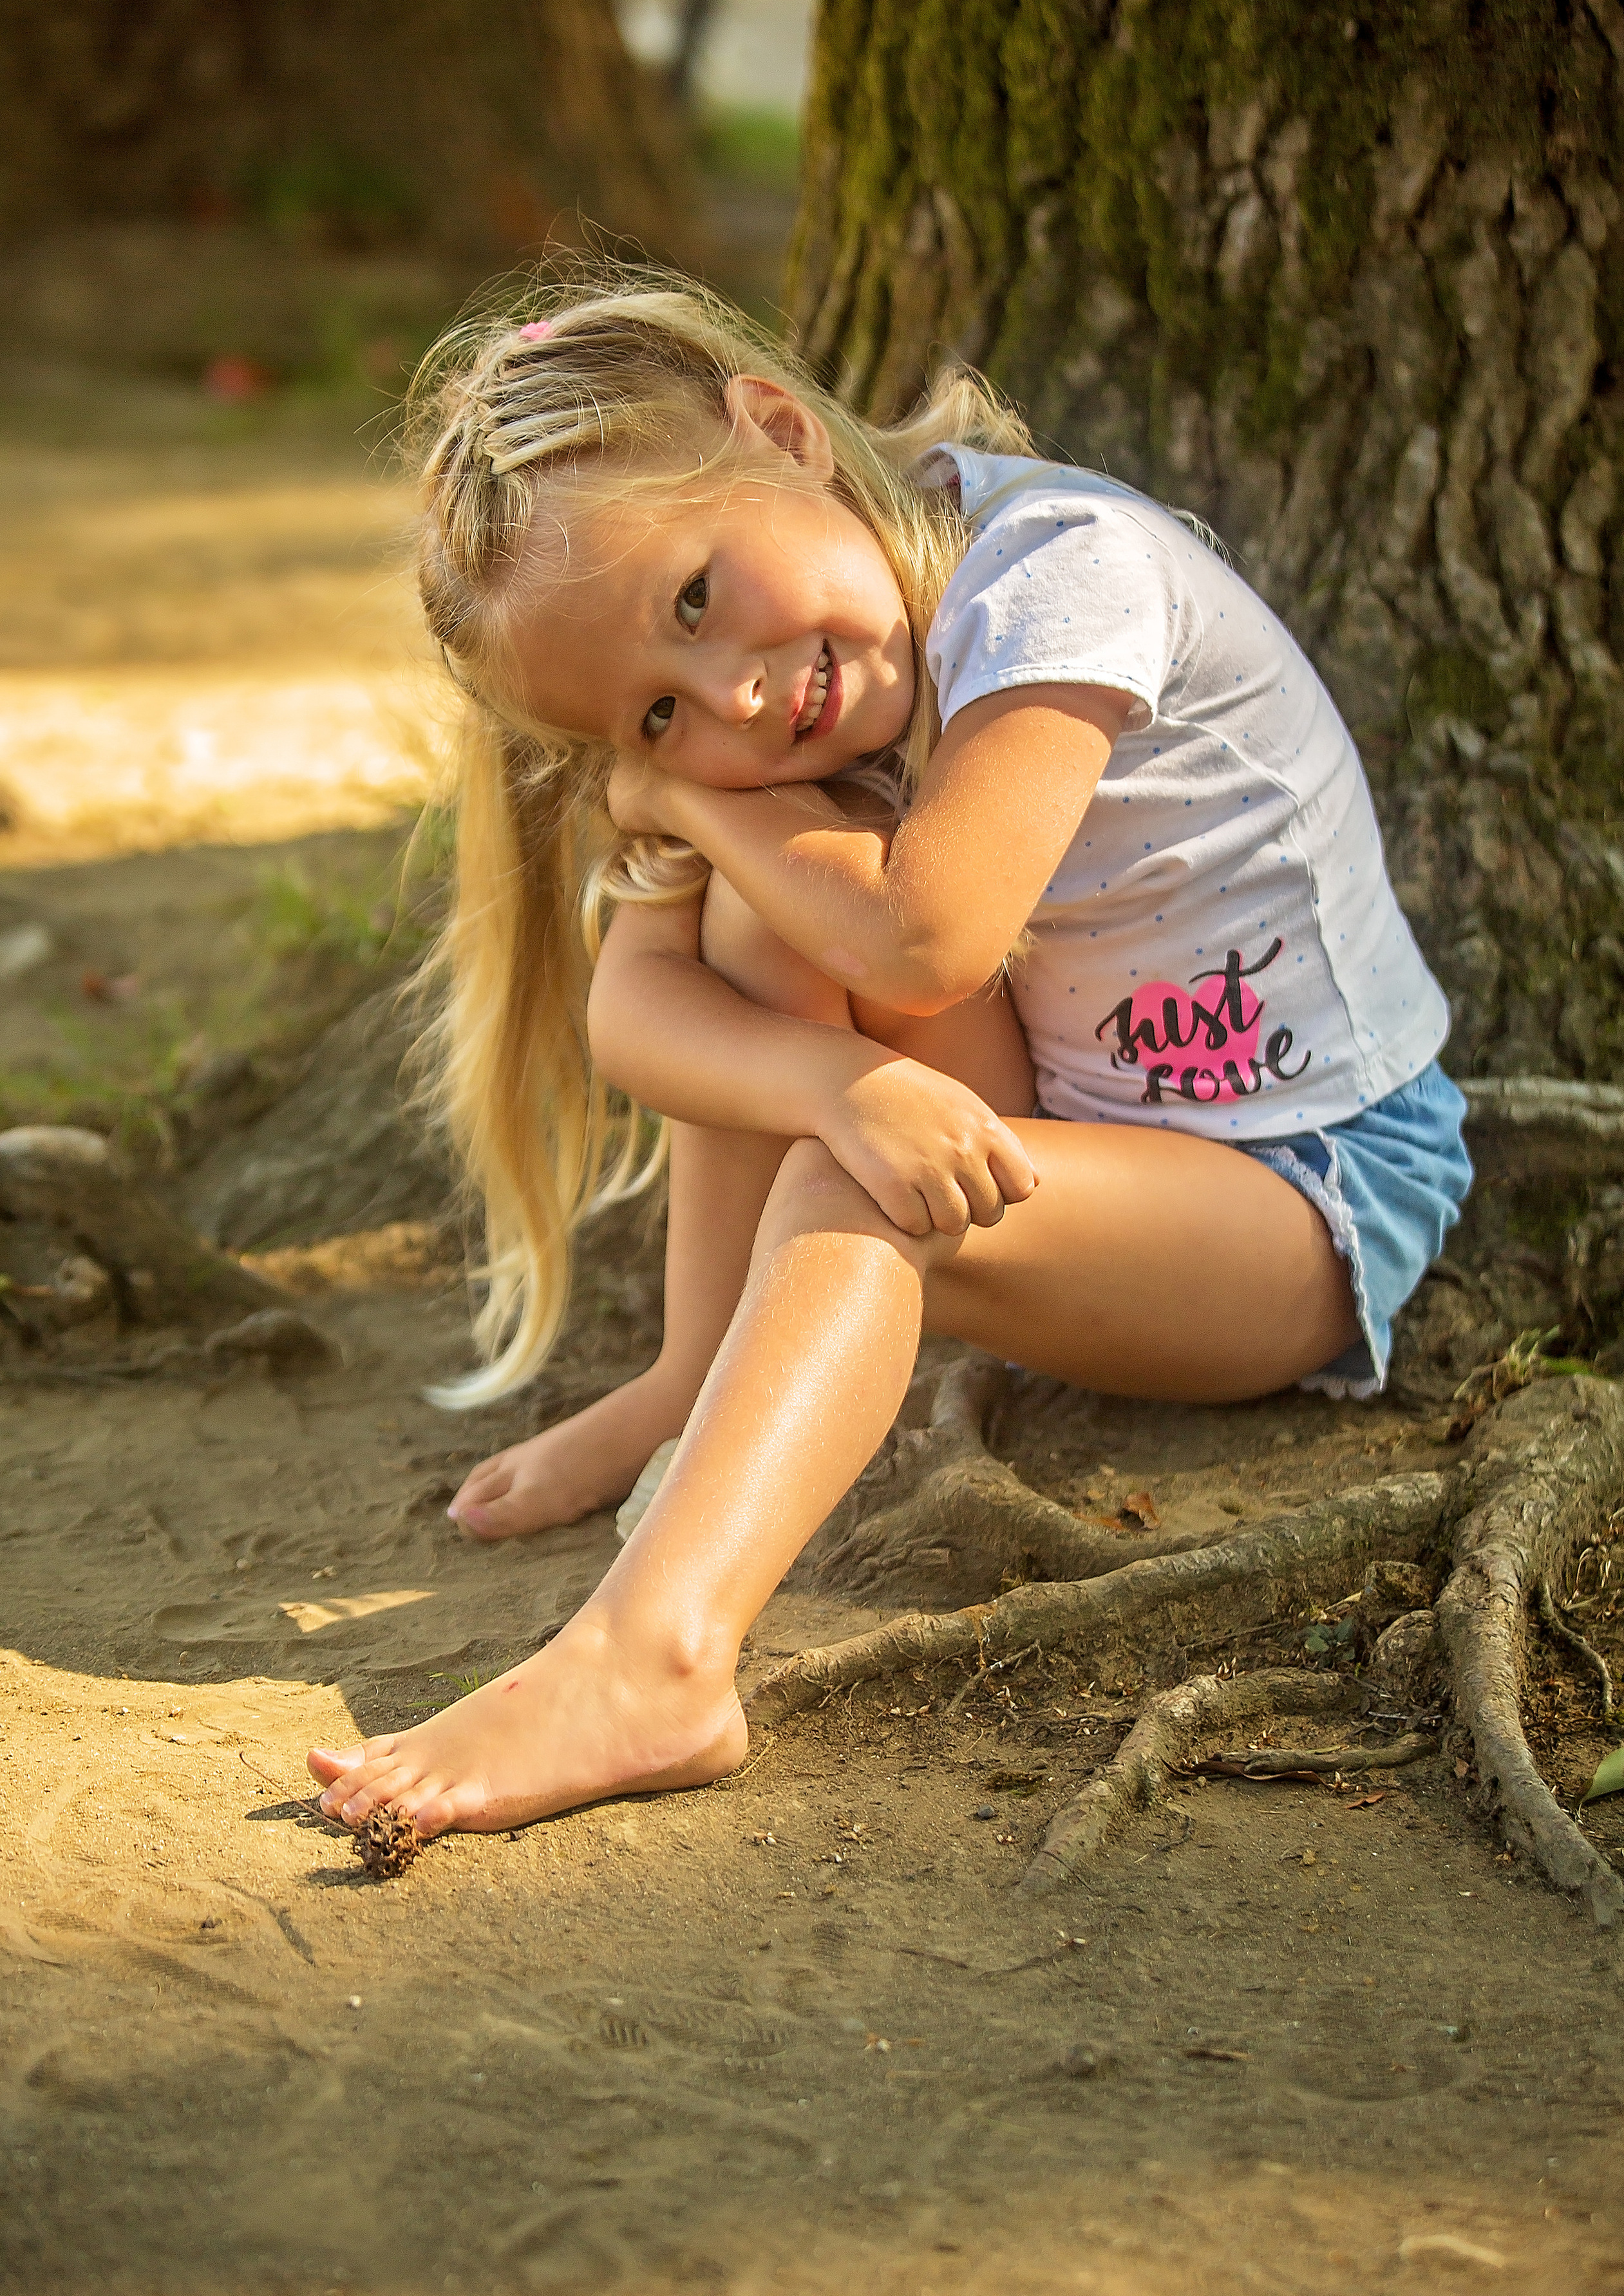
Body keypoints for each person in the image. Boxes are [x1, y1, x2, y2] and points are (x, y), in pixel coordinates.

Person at [308, 269, 1471, 1839]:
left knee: (861, 1183)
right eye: (650, 717)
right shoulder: (814, 708)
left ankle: (659, 1660)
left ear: (780, 432)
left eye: (698, 599)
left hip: (1301, 1191)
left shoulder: (1061, 574)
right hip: (1066, 1141)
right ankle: (692, 1380)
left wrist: (706, 800)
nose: (727, 694)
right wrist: (834, 1078)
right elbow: (634, 1012)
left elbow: (927, 942)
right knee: (766, 943)